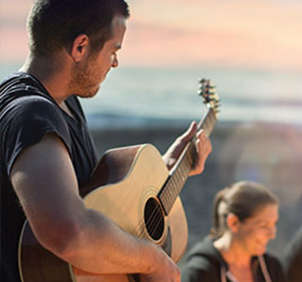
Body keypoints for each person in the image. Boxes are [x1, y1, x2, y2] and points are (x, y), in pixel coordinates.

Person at [0, 0, 212, 281]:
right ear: (80, 47)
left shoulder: (65, 104)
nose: (115, 62)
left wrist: (167, 167)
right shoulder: (32, 114)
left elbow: (92, 198)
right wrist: (153, 261)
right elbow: (69, 233)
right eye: (113, 50)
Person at [181, 181, 286, 282]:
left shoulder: (272, 268)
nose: (272, 234)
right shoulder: (199, 272)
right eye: (264, 226)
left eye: (274, 224)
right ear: (233, 223)